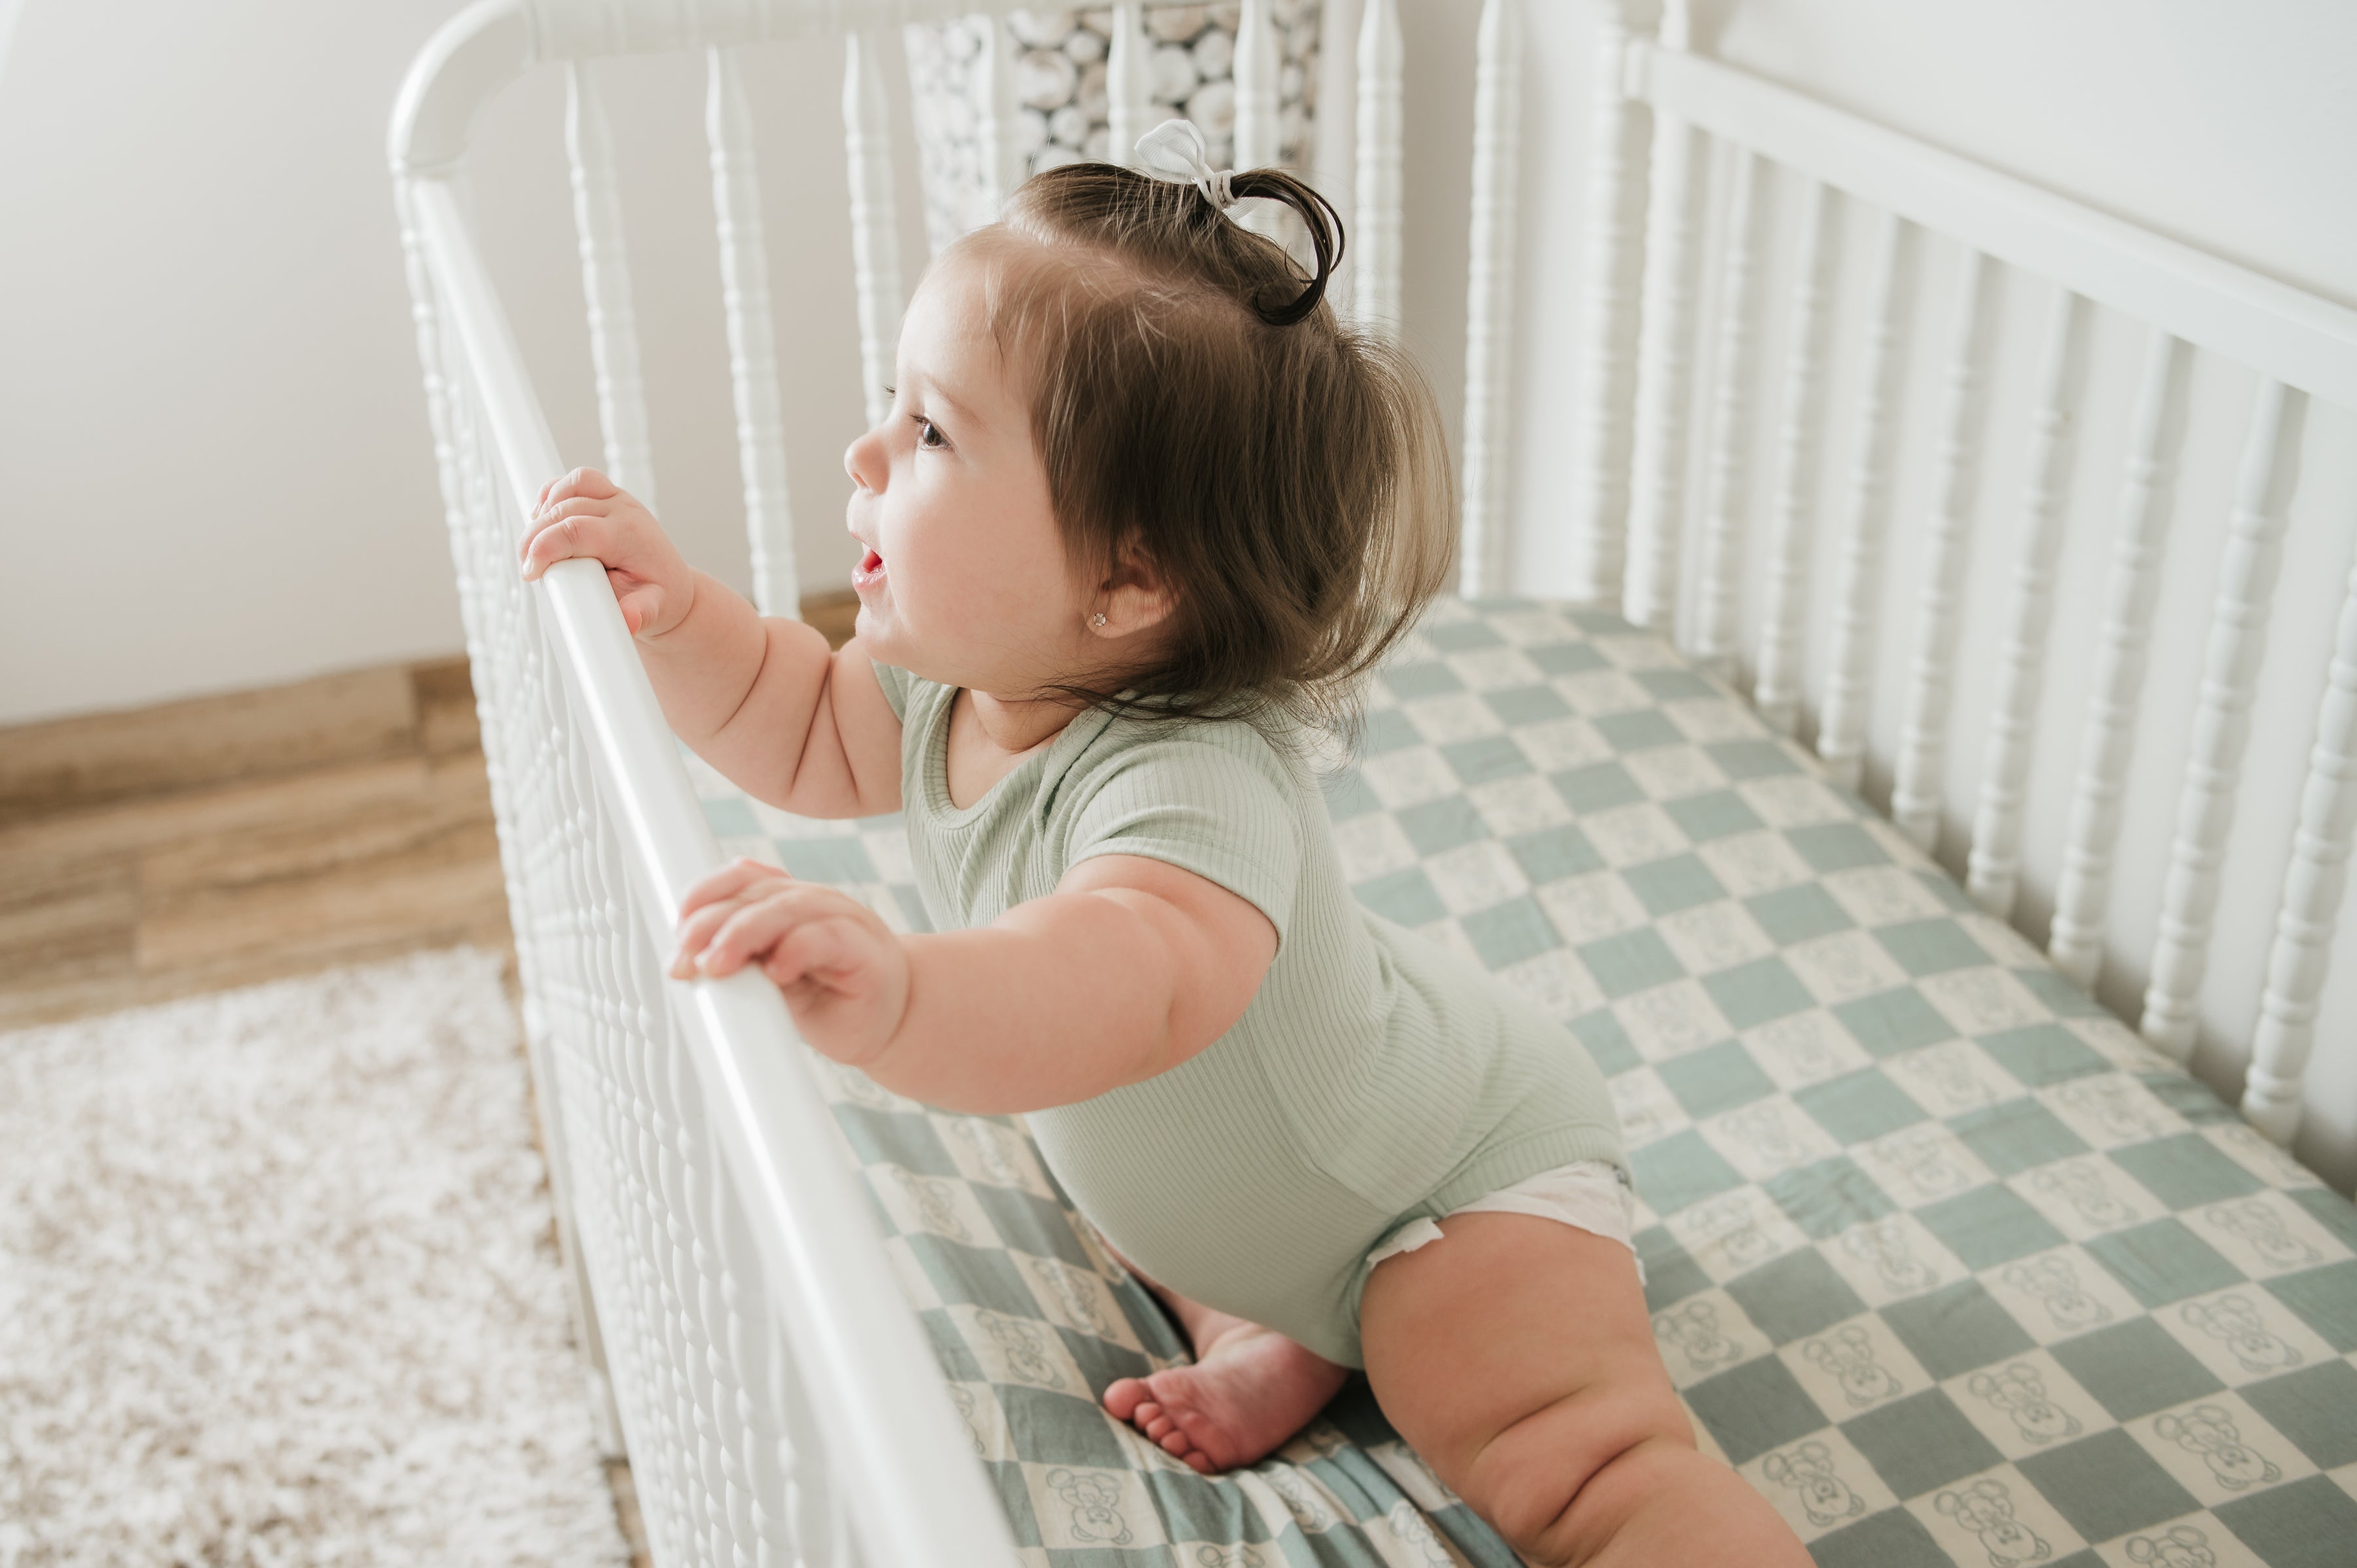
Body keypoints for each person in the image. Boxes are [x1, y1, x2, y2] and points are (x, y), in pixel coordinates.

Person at [518, 121, 1809, 1568]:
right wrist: (677, 612)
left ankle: (1381, 1356)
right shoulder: (957, 684)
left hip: (1446, 1193)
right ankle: (1273, 1325)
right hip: (1264, 1214)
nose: (865, 450)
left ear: (1130, 576)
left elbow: (1114, 978)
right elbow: (797, 715)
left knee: (1569, 1461)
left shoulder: (1199, 785)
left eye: (931, 432)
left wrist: (903, 990)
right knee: (1178, 1209)